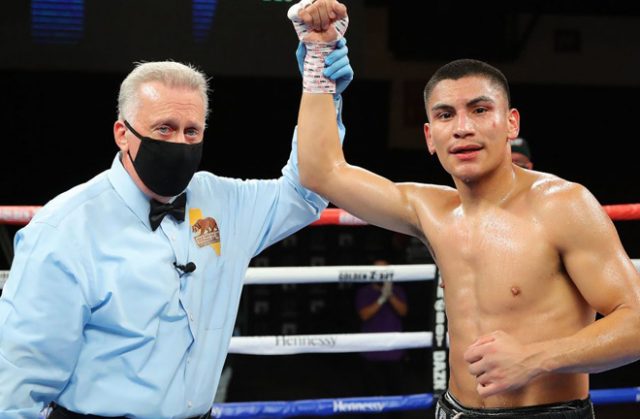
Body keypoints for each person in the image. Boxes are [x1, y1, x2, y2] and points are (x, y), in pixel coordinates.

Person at [291, 1, 640, 417]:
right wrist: (318, 62)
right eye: (445, 115)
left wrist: (536, 359)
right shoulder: (430, 210)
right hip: (454, 410)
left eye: (479, 109)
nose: (462, 128)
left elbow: (636, 323)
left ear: (511, 123)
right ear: (429, 136)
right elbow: (321, 173)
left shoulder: (562, 206)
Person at [0, 40, 354, 418]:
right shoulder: (64, 230)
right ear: (123, 133)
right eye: (164, 129)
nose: (179, 142)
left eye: (191, 131)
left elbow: (307, 192)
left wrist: (319, 88)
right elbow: (18, 382)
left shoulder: (224, 203)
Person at [355, 259, 408, 403]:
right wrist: (381, 298)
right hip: (371, 353)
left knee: (396, 395)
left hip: (393, 352)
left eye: (384, 271)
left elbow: (403, 311)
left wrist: (389, 295)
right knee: (371, 396)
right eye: (378, 271)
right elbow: (364, 315)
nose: (381, 275)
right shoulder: (364, 292)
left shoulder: (397, 291)